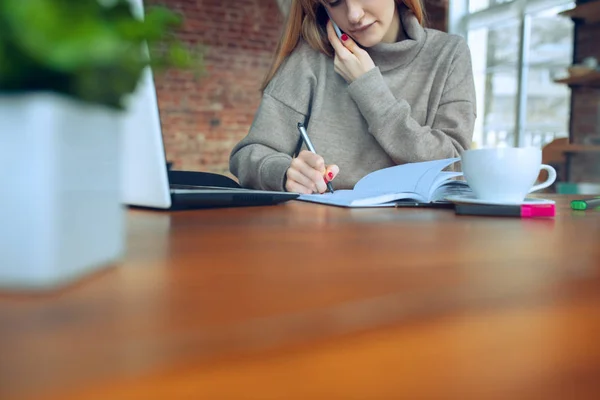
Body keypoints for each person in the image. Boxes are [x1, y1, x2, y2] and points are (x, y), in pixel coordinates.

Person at [229, 0, 476, 194]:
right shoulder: (310, 60)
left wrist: (367, 86)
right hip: (322, 239)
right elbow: (249, 154)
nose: (354, 15)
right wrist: (285, 173)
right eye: (335, 1)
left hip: (420, 242)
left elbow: (453, 167)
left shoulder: (448, 54)